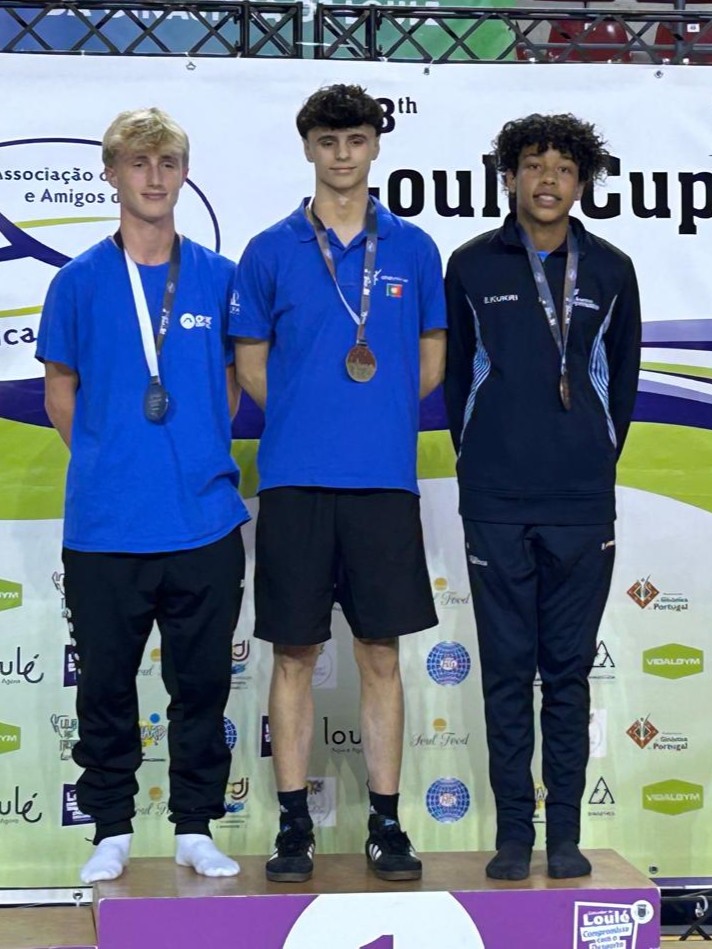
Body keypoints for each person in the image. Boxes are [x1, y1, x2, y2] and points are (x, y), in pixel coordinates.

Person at [231, 84, 446, 883]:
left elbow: (430, 360)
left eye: (356, 139)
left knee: (380, 654)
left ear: (376, 145)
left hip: (383, 482)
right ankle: (294, 827)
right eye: (328, 141)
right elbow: (252, 364)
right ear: (308, 148)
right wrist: (304, 413)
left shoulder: (414, 249)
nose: (343, 154)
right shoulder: (269, 249)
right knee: (294, 655)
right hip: (294, 480)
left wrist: (375, 417)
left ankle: (387, 824)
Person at [36, 107, 248, 884]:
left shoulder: (219, 278)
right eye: (138, 162)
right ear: (112, 173)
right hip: (105, 527)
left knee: (202, 686)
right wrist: (111, 461)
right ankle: (112, 828)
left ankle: (195, 825)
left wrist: (192, 453)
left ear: (184, 174)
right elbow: (61, 393)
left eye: (167, 163)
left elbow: (232, 383)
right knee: (104, 686)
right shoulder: (77, 282)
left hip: (204, 521)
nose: (154, 178)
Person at [444, 114, 641, 882]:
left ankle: (564, 834)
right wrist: (484, 460)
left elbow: (620, 385)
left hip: (581, 503)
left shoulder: (612, 269)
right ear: (510, 177)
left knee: (566, 674)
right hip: (495, 500)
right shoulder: (471, 266)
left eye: (562, 167)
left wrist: (587, 458)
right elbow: (457, 383)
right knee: (504, 673)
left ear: (581, 182)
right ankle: (512, 835)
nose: (548, 179)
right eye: (533, 165)